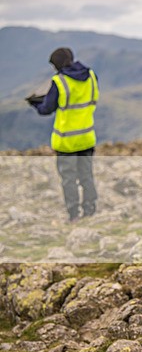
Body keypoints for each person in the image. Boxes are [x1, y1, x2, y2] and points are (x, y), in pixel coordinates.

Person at [26, 48, 99, 222]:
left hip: (67, 141)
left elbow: (46, 109)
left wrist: (35, 104)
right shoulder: (91, 76)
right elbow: (91, 99)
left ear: (57, 64)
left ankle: (74, 215)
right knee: (87, 175)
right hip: (87, 137)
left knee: (69, 179)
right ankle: (90, 210)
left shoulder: (59, 82)